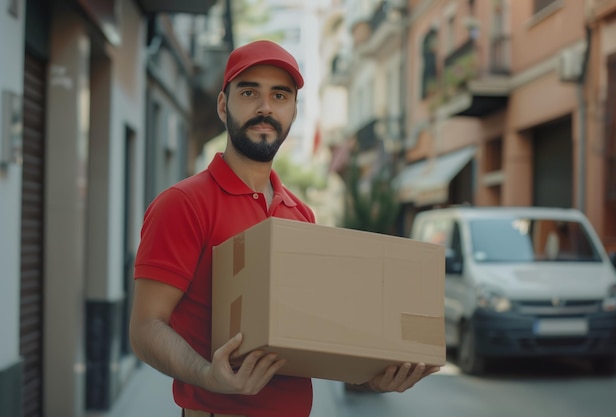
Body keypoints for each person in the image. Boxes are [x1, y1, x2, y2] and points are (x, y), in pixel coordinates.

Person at [129, 39, 440, 417]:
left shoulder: (300, 215)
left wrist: (369, 376)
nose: (265, 107)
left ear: (294, 110)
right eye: (249, 92)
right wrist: (208, 376)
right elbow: (146, 328)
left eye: (280, 95)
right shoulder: (183, 204)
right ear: (224, 105)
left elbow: (311, 339)